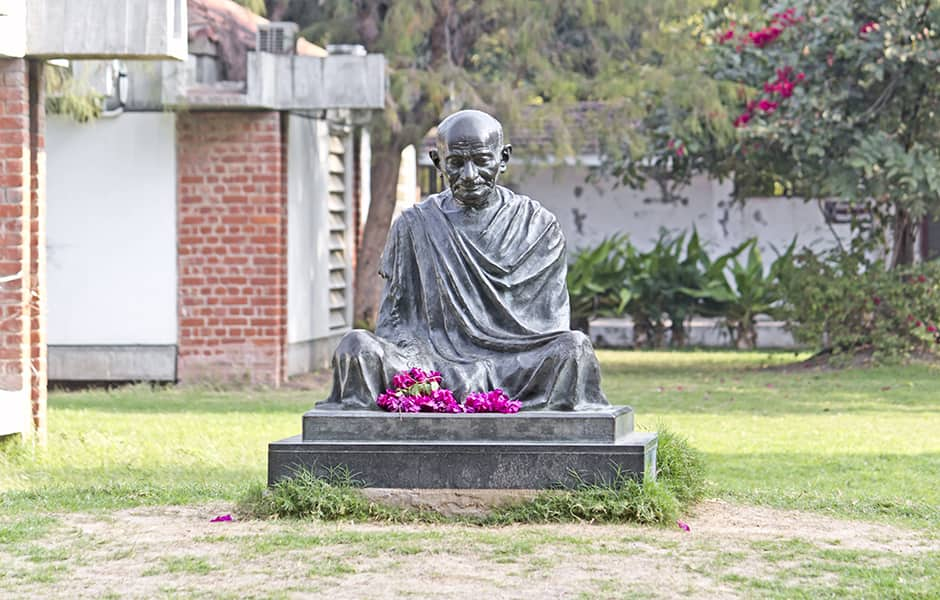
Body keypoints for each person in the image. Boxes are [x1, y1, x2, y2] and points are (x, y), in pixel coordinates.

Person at [320, 109, 609, 411]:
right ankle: (367, 441)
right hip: (432, 360)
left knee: (573, 349)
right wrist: (425, 367)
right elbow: (394, 322)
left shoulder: (536, 225)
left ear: (504, 158)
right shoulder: (413, 225)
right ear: (437, 162)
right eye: (456, 164)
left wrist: (484, 368)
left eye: (482, 161)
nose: (469, 176)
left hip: (515, 365)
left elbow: (551, 325)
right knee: (357, 348)